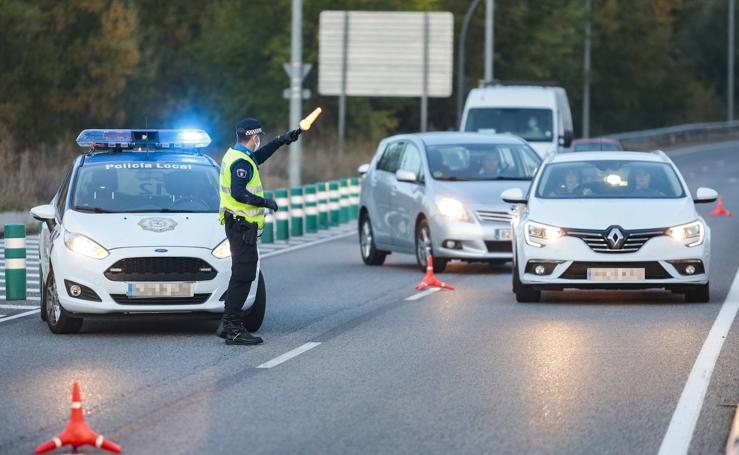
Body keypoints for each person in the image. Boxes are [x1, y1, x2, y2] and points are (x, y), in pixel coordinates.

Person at [216, 118, 301, 345]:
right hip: (241, 225)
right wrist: (264, 202)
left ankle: (227, 324)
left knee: (241, 274)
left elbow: (258, 158)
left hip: (237, 224)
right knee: (244, 275)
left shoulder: (236, 155)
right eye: (259, 137)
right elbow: (238, 193)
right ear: (254, 136)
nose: (258, 140)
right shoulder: (240, 163)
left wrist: (281, 141)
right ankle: (233, 328)